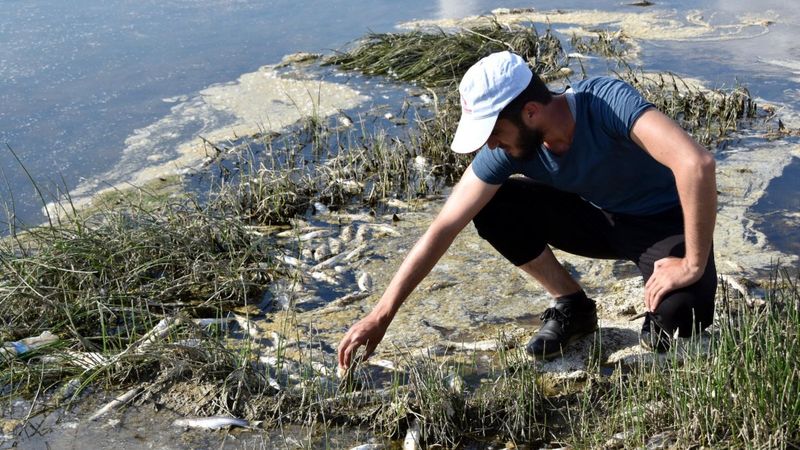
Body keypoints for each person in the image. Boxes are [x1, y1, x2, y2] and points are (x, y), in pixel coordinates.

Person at [337, 51, 717, 367]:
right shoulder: (512, 147)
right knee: (492, 207)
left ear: (531, 112)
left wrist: (692, 264)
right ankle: (572, 304)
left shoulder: (605, 103)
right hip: (600, 219)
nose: (492, 146)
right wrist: (381, 315)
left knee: (679, 317)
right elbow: (443, 228)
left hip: (667, 222)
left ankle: (668, 296)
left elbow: (696, 164)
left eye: (495, 133)